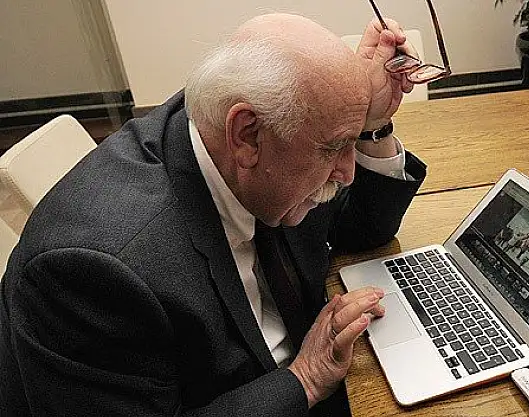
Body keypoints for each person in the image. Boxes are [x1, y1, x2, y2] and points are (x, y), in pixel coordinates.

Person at [0, 14, 427, 417]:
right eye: (334, 148)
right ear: (247, 135)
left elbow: (362, 229)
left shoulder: (255, 136)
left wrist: (372, 124)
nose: (347, 172)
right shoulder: (92, 272)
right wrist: (306, 379)